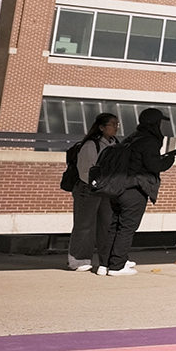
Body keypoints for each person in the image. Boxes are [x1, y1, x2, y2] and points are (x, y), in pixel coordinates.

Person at [95, 108, 176, 276]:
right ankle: (117, 266)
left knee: (115, 226)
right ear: (156, 123)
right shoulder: (149, 141)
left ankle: (104, 265)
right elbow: (153, 166)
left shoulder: (131, 138)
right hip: (135, 189)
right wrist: (169, 159)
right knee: (126, 228)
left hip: (117, 187)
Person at [67, 113, 120, 272]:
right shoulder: (91, 144)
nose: (116, 127)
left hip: (107, 190)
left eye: (117, 124)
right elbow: (85, 170)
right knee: (85, 224)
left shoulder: (115, 144)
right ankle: (78, 259)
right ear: (101, 127)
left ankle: (107, 259)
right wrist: (97, 184)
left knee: (107, 225)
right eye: (112, 124)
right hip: (88, 189)